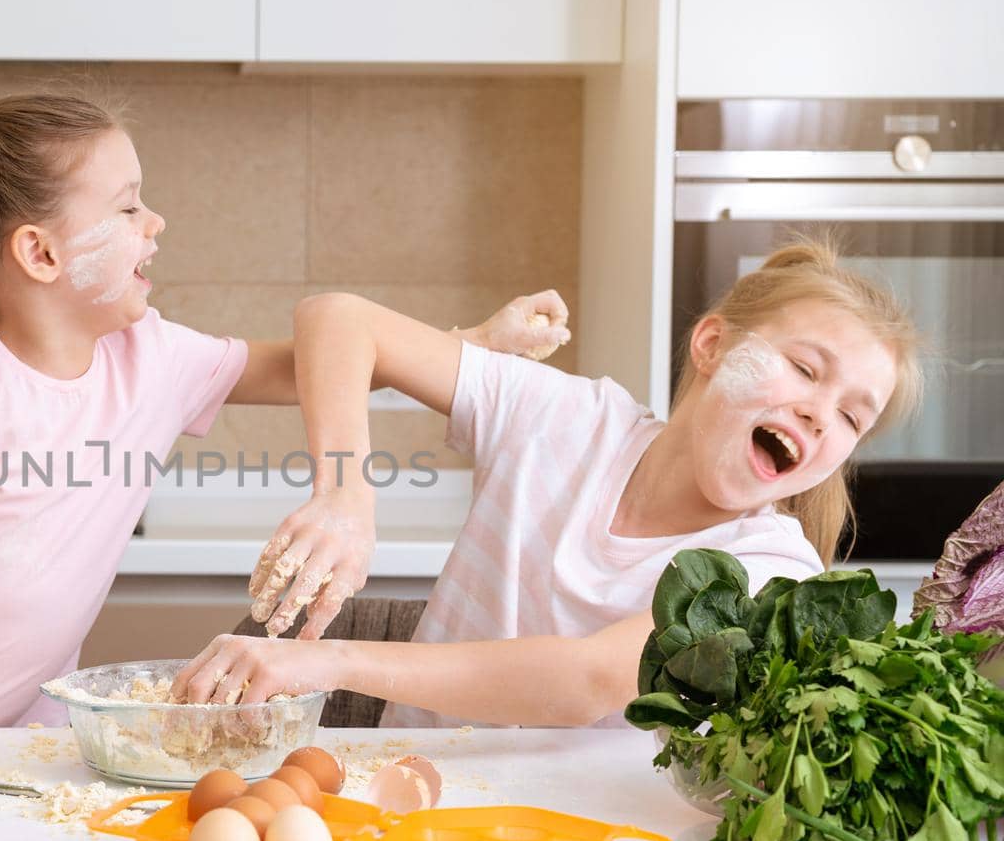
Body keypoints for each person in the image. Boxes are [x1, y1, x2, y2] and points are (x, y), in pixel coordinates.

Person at [0, 84, 569, 727]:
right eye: (128, 208)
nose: (155, 223)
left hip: (21, 720)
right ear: (42, 253)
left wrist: (470, 343)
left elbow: (312, 364)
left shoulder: (150, 356)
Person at [172, 239, 924, 728]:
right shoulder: (571, 418)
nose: (821, 415)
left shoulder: (773, 571)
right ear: (713, 343)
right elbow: (337, 319)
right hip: (407, 805)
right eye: (804, 368)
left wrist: (329, 661)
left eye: (853, 416)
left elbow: (590, 676)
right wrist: (345, 493)